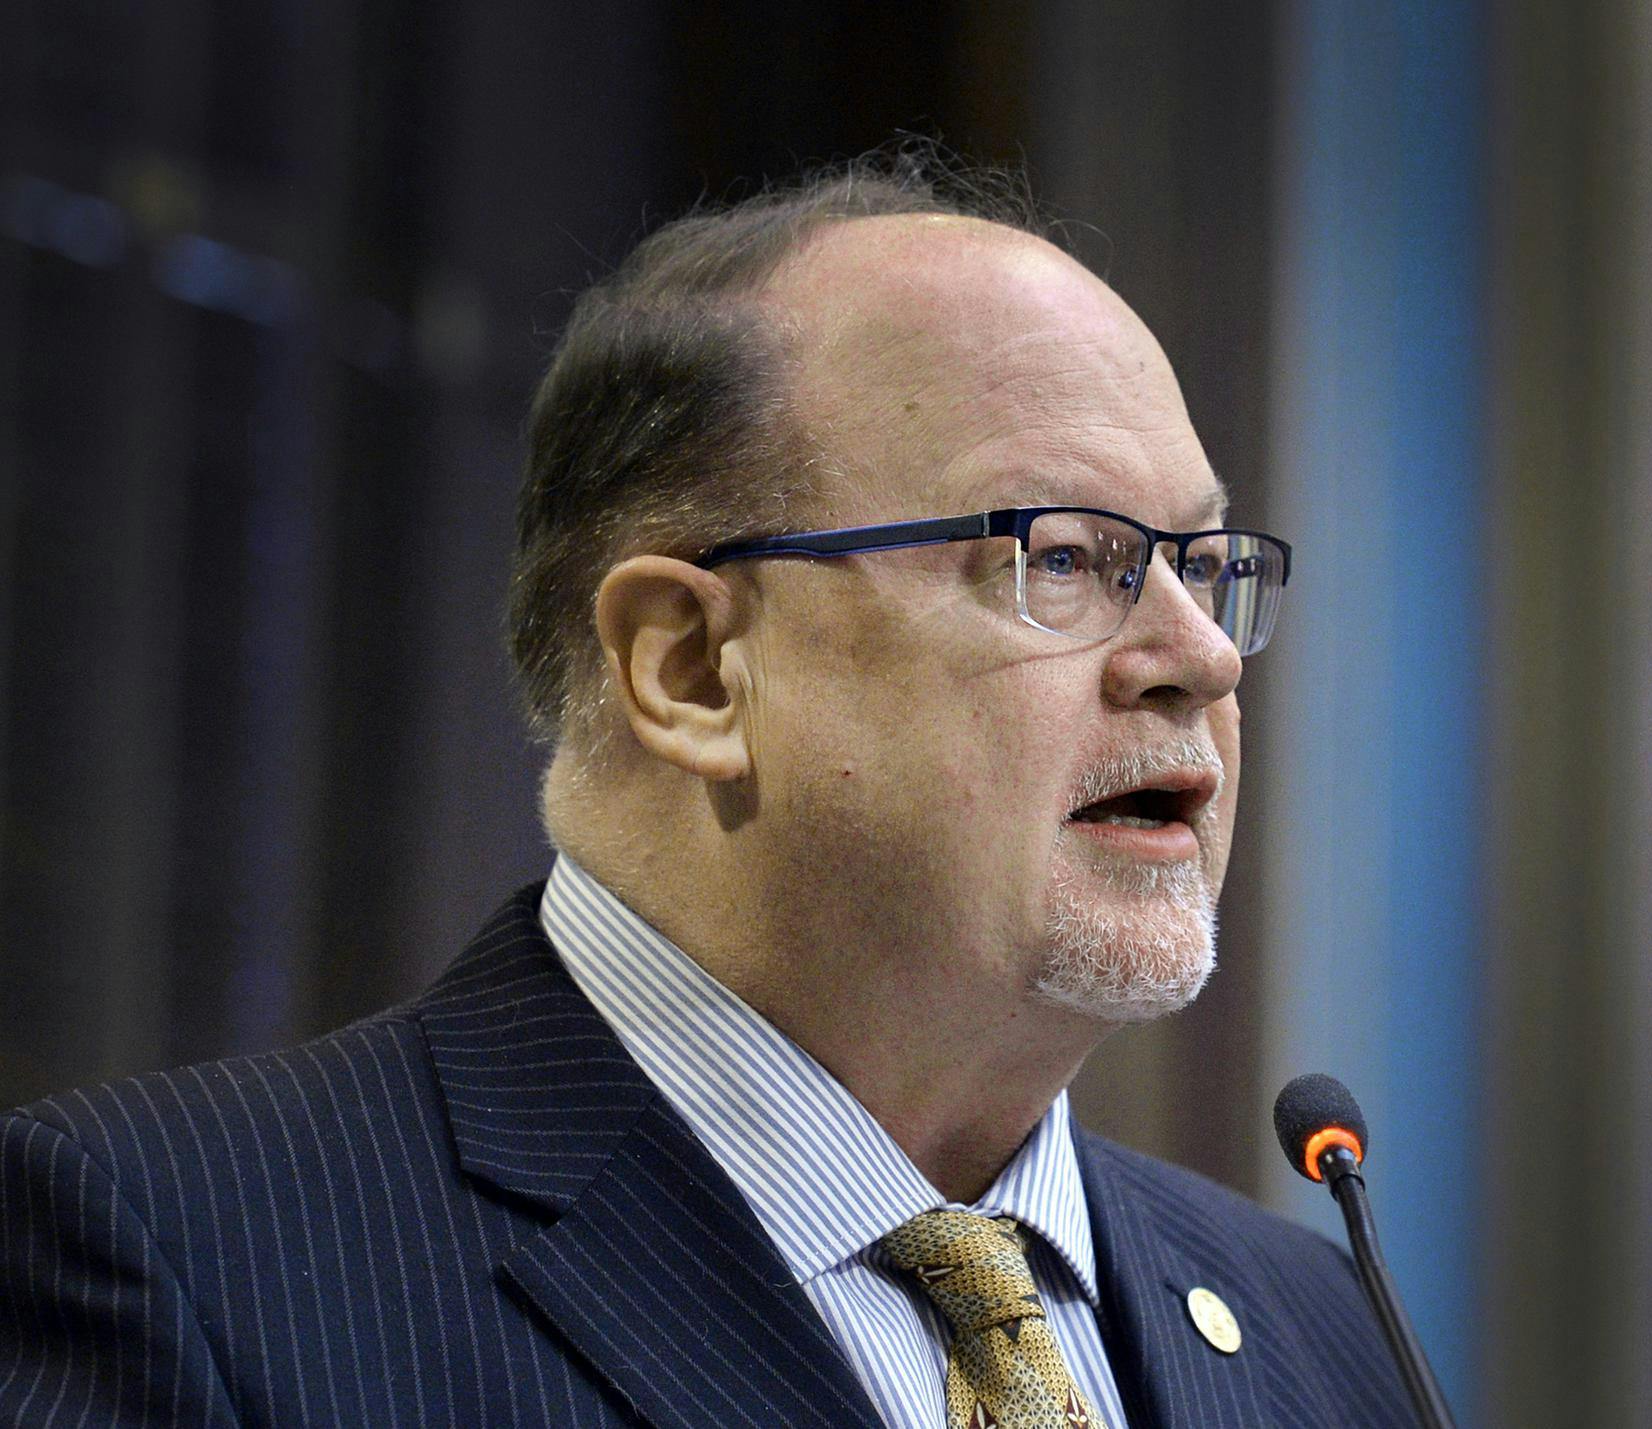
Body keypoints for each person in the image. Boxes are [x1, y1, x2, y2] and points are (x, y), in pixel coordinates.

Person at [0, 154, 1415, 1427]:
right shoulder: (184, 1260)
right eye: (1062, 558)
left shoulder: (1326, 1331)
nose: (1200, 655)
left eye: (1205, 564)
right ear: (688, 668)